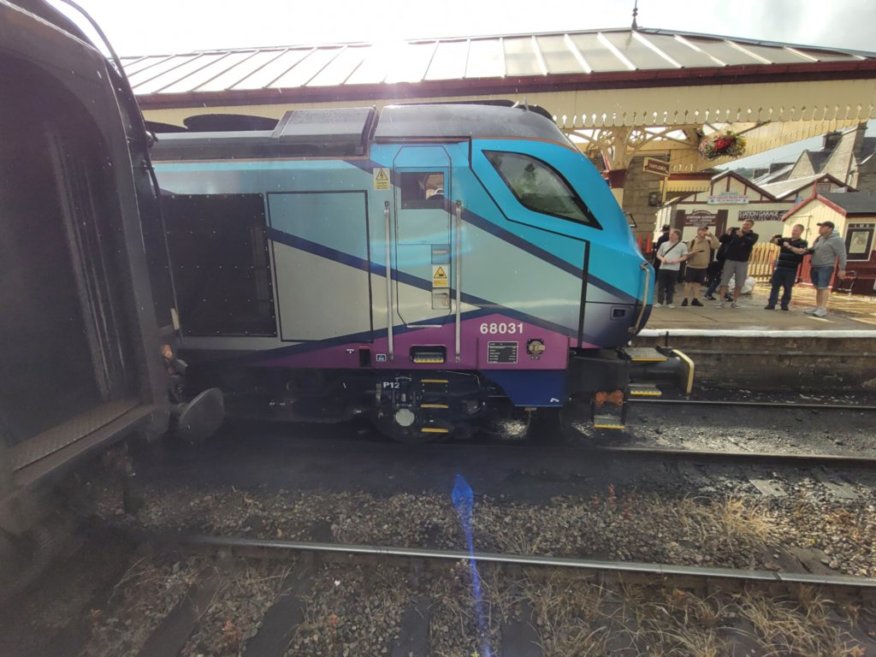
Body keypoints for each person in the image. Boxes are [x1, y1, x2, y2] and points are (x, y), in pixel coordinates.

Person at [803, 221, 847, 318]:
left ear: (830, 229)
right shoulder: (821, 239)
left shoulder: (837, 240)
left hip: (826, 266)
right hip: (815, 265)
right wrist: (805, 250)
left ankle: (823, 308)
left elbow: (842, 254)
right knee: (818, 287)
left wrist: (842, 268)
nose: (820, 229)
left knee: (823, 287)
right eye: (820, 227)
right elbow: (814, 249)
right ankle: (818, 307)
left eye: (823, 227)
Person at [764, 224, 808, 311]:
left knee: (788, 287)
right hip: (780, 267)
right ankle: (771, 304)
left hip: (791, 269)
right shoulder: (785, 240)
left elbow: (800, 251)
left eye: (796, 230)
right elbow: (773, 242)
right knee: (775, 286)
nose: (794, 232)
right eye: (793, 230)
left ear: (801, 232)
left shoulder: (802, 242)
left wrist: (789, 246)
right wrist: (774, 237)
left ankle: (784, 305)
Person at [717, 219, 758, 308]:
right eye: (744, 224)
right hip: (730, 259)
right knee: (724, 281)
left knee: (739, 283)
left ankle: (734, 302)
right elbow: (722, 239)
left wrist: (742, 236)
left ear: (751, 226)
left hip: (742, 261)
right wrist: (727, 233)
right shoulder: (735, 232)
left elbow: (750, 242)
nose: (745, 226)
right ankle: (721, 301)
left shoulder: (754, 235)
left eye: (747, 224)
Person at [680, 226, 719, 306]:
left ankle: (695, 299)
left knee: (698, 284)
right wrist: (693, 253)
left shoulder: (708, 241)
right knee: (688, 283)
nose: (703, 232)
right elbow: (686, 254)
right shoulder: (693, 241)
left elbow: (716, 245)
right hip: (692, 266)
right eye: (702, 230)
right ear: (698, 231)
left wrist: (711, 236)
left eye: (705, 230)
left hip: (703, 266)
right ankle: (685, 299)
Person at [655, 228, 688, 308]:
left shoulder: (682, 245)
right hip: (663, 267)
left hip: (674, 268)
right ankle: (660, 301)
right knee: (661, 285)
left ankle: (669, 302)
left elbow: (685, 256)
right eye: (670, 235)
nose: (671, 236)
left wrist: (677, 260)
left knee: (671, 286)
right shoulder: (664, 244)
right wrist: (662, 259)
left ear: (677, 236)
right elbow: (658, 254)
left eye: (673, 235)